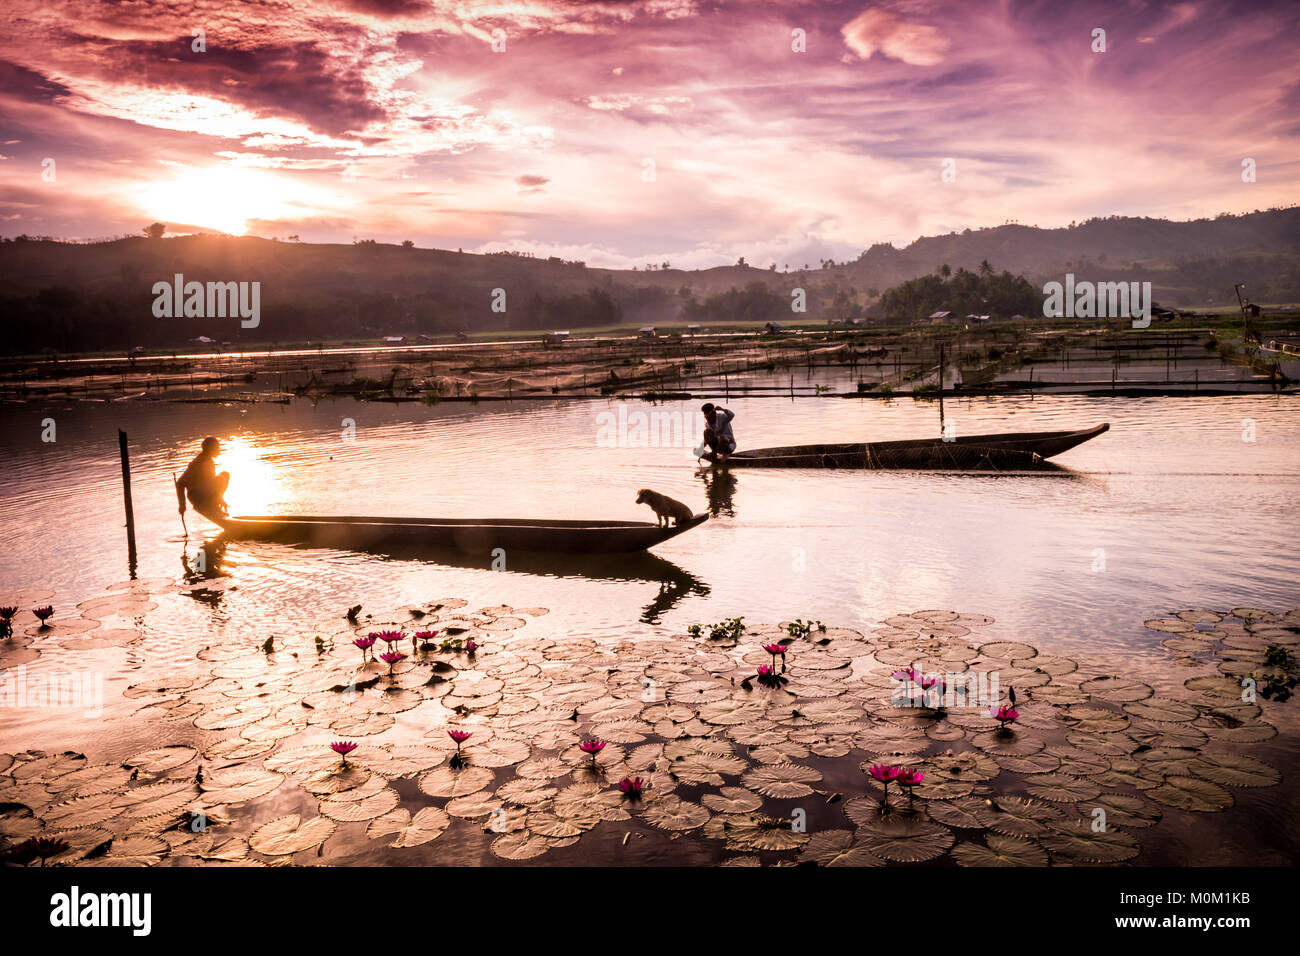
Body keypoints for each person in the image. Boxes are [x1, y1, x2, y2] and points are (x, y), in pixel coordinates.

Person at [178, 437, 230, 516]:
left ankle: (213, 505)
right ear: (210, 449)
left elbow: (213, 486)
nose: (219, 451)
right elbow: (180, 483)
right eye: (217, 448)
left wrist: (221, 499)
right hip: (196, 496)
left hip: (204, 492)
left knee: (225, 474)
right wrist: (182, 505)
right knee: (220, 479)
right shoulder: (197, 463)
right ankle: (209, 506)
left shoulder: (210, 461)